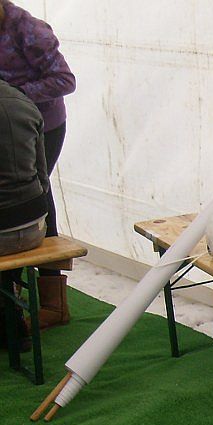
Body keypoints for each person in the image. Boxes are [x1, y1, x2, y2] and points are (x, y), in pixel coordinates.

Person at [0, 0, 75, 325]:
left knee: (37, 193)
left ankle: (53, 302)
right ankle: (12, 294)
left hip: (39, 125)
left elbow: (65, 80)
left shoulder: (29, 30)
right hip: (6, 119)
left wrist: (13, 94)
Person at [0, 78, 48, 350]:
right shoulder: (27, 104)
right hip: (34, 227)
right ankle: (11, 315)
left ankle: (8, 316)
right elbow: (43, 178)